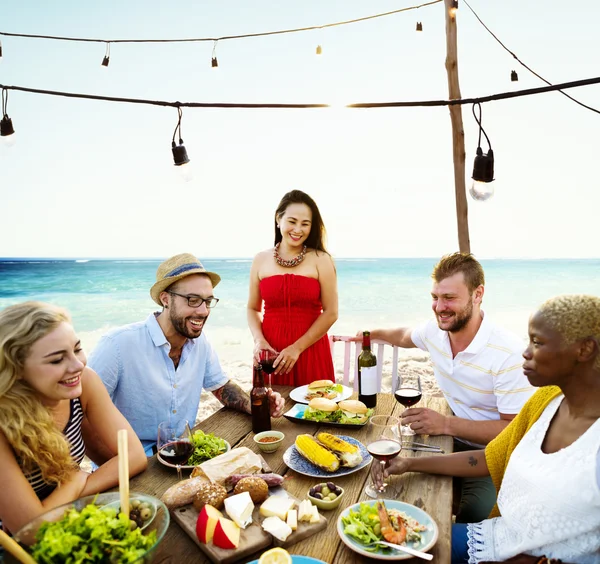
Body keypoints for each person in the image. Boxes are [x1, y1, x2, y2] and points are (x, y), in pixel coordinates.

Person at [376, 294, 600, 564]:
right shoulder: (546, 402)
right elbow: (487, 458)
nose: (525, 353)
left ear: (584, 350)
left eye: (537, 342)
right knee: (383, 546)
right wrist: (408, 464)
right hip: (493, 540)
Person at [359, 252, 535, 523]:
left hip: (491, 453)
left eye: (449, 298)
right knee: (385, 485)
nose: (439, 307)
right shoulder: (435, 331)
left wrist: (446, 425)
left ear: (478, 295)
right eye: (435, 297)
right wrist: (371, 333)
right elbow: (405, 336)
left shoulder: (508, 354)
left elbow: (512, 432)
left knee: (476, 514)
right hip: (445, 441)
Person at [88, 253, 285, 456]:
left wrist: (257, 406)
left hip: (183, 453)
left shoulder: (200, 343)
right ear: (165, 299)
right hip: (129, 460)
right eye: (193, 300)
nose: (203, 311)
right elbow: (82, 416)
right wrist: (119, 467)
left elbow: (221, 387)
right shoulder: (117, 345)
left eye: (207, 301)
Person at [0, 302, 147, 534]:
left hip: (72, 519)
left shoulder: (84, 382)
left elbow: (135, 456)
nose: (78, 365)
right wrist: (74, 480)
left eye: (77, 349)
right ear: (16, 369)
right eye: (57, 360)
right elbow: (31, 532)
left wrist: (76, 488)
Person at [247, 190, 338, 387]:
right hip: (271, 353)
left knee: (314, 411)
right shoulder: (260, 259)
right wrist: (259, 341)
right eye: (292, 221)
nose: (298, 229)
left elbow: (331, 313)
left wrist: (297, 348)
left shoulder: (321, 259)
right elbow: (253, 309)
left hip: (310, 350)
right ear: (278, 219)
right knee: (270, 412)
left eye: (305, 224)